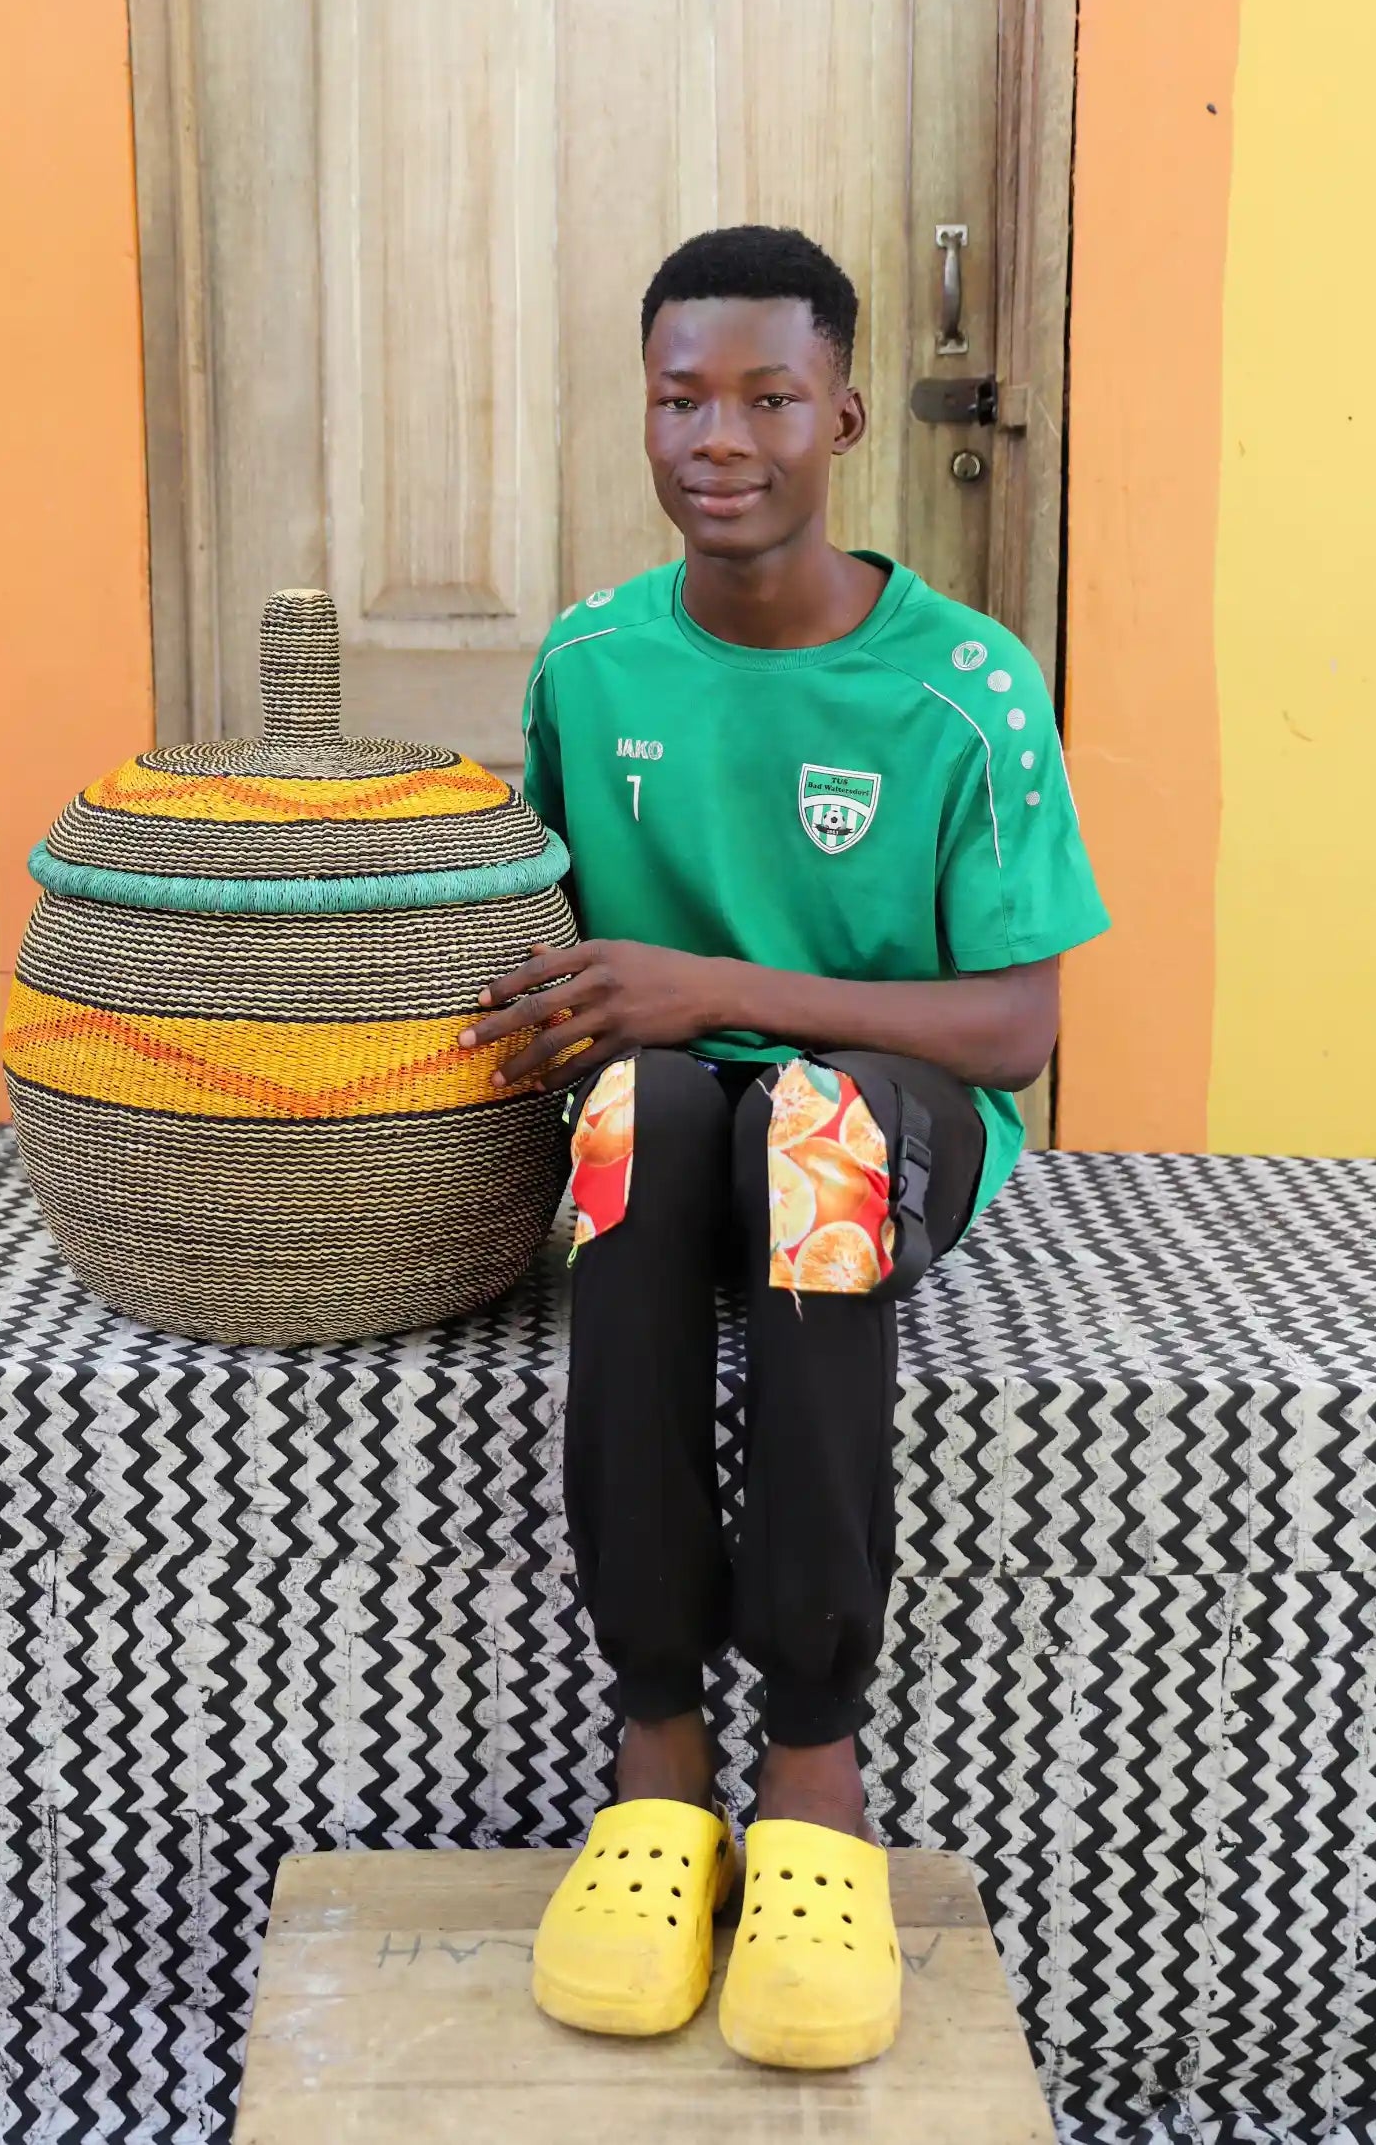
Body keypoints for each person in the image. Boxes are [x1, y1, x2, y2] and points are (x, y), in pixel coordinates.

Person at [458, 224, 1108, 2071]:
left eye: (768, 398)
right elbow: (542, 929)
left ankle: (815, 1767)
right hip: (668, 1115)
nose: (720, 438)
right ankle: (658, 1752)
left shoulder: (965, 686)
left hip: (884, 1110)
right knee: (637, 1114)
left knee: (805, 1134)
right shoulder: (590, 662)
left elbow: (1017, 1027)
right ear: (644, 414)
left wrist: (720, 987)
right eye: (683, 399)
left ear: (844, 417)